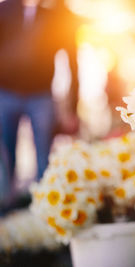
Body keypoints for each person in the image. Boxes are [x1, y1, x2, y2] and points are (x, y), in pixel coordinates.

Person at [0, 0, 80, 198]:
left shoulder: (55, 15)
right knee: (5, 155)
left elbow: (72, 60)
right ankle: (6, 205)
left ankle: (45, 202)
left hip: (41, 94)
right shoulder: (5, 9)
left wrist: (72, 109)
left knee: (44, 153)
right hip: (6, 92)